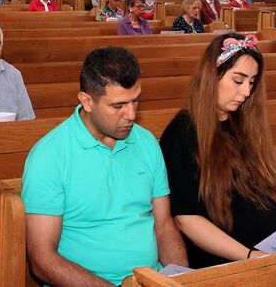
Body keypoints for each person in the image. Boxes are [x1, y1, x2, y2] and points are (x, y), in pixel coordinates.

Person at [21, 47, 188, 285]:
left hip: (150, 280)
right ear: (87, 101)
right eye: (118, 106)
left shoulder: (147, 143)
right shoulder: (50, 155)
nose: (131, 114)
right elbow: (41, 259)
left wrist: (179, 279)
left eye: (135, 101)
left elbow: (163, 226)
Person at [159, 33, 276, 268]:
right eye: (238, 80)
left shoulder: (245, 123)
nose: (246, 92)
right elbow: (186, 218)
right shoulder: (183, 132)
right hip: (231, 261)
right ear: (212, 76)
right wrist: (250, 256)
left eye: (252, 82)